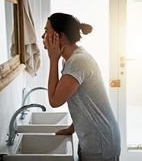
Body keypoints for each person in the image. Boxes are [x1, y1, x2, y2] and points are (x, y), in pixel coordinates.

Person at [42, 12, 121, 161]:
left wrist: (53, 60)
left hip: (101, 142)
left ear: (61, 37)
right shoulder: (71, 60)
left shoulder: (78, 62)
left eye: (46, 31)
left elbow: (54, 101)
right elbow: (85, 102)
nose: (43, 37)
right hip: (95, 139)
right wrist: (72, 128)